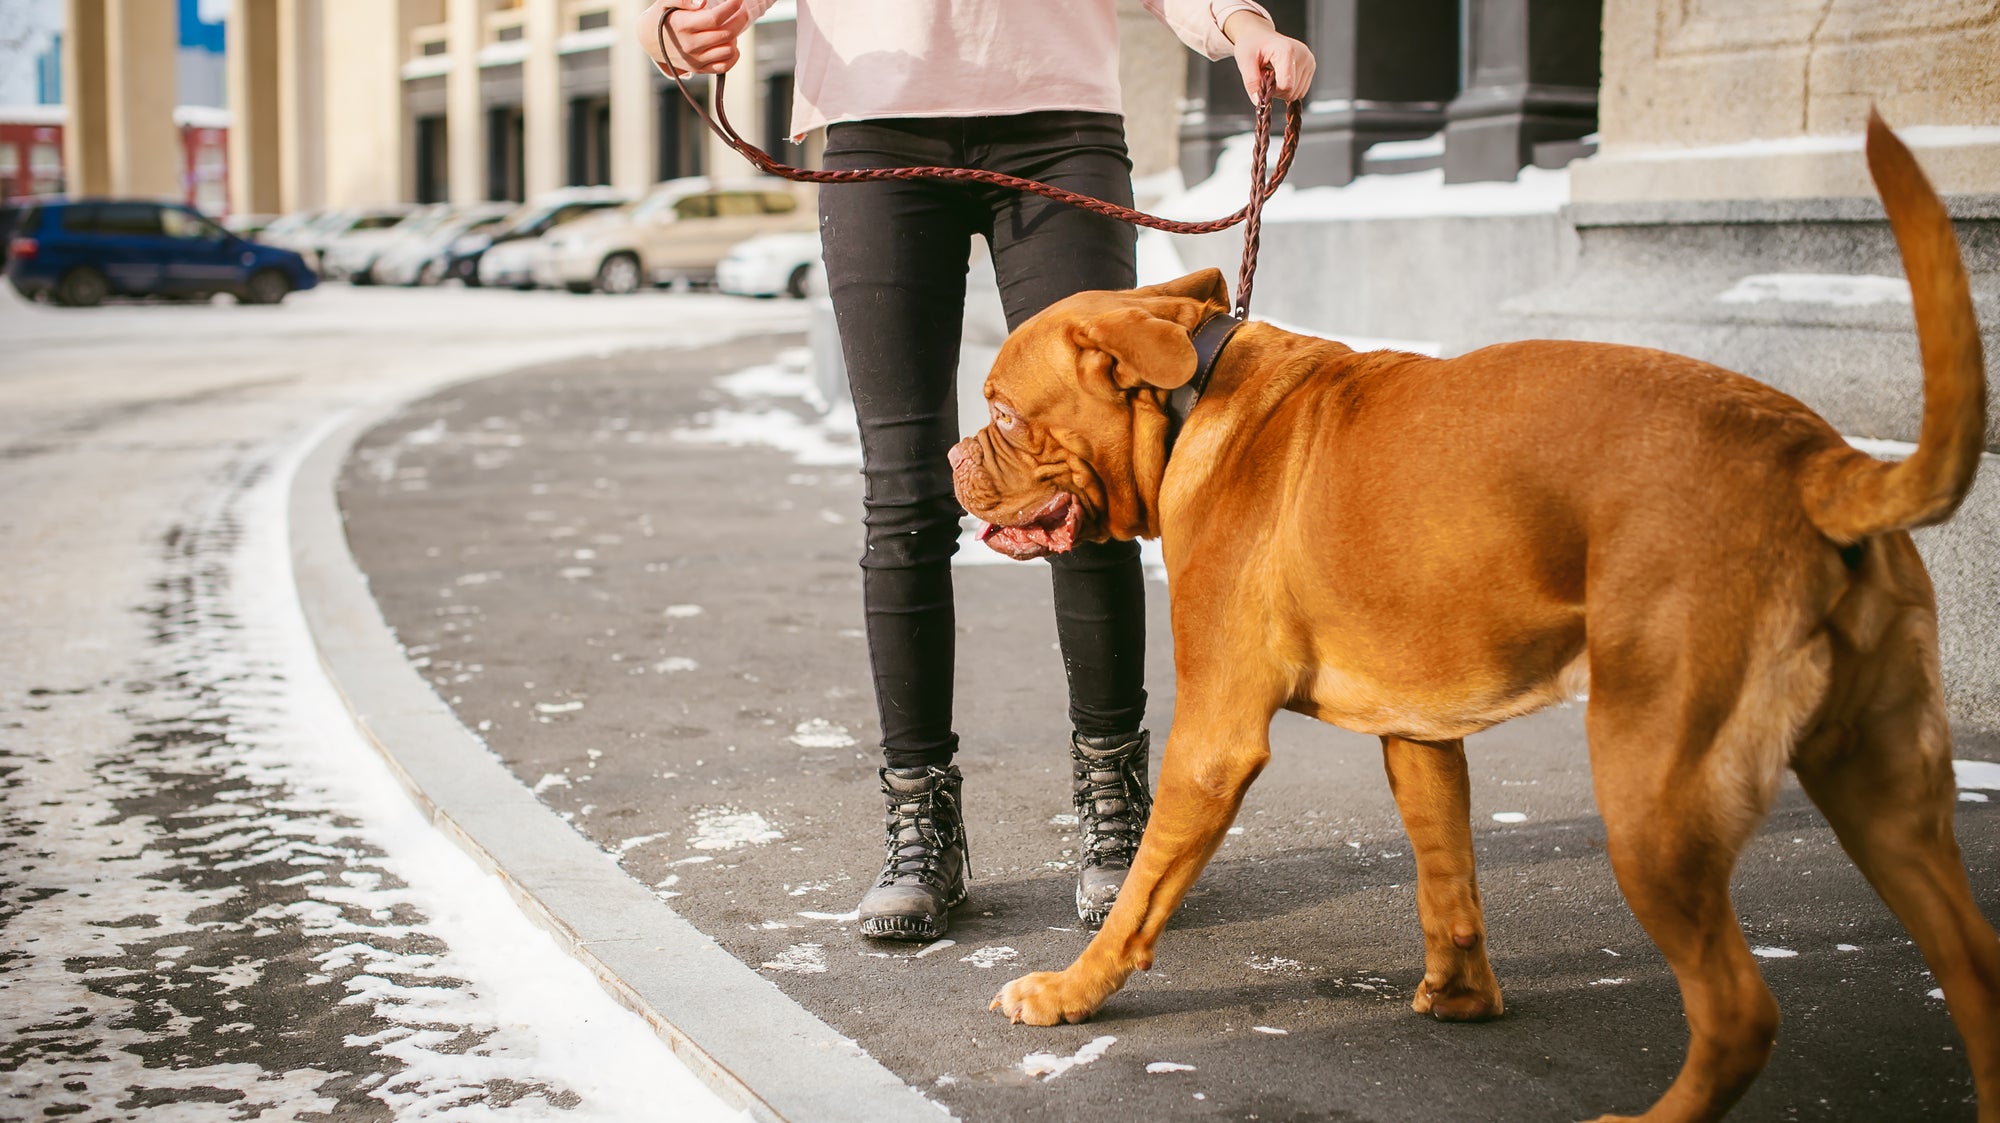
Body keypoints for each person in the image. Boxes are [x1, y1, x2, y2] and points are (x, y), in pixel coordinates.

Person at [640, 0, 1313, 941]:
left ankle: (1114, 806)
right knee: (905, 490)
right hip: (878, 128)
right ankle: (921, 818)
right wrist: (673, 26)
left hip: (1060, 126)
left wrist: (1242, 26)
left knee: (1084, 478)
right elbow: (688, 14)